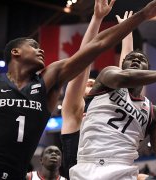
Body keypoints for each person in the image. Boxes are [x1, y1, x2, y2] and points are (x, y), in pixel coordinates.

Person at [0, 0, 156, 179]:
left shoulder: (48, 82)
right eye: (34, 45)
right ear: (16, 52)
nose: (41, 49)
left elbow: (93, 49)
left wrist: (140, 15)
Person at [60, 2, 134, 178]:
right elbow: (83, 61)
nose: (90, 82)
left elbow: (126, 75)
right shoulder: (74, 112)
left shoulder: (110, 108)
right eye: (88, 82)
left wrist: (127, 32)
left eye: (94, 82)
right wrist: (97, 18)